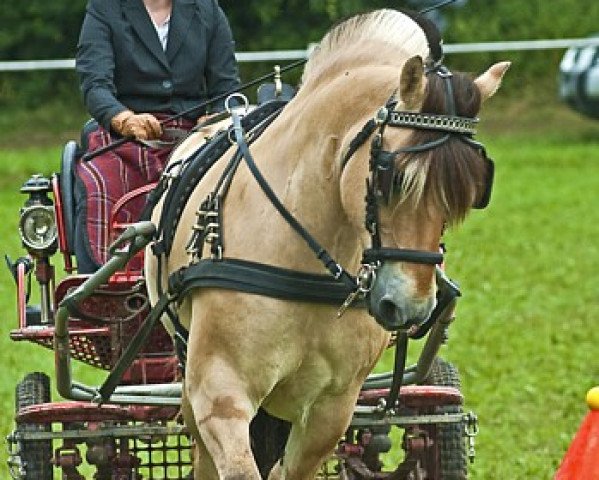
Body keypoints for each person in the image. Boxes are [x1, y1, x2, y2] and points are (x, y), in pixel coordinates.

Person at [73, 0, 241, 272]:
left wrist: (216, 117)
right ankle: (106, 277)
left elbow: (227, 88)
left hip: (192, 135)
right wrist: (125, 119)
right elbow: (95, 86)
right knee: (101, 184)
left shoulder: (207, 10)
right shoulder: (105, 9)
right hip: (123, 135)